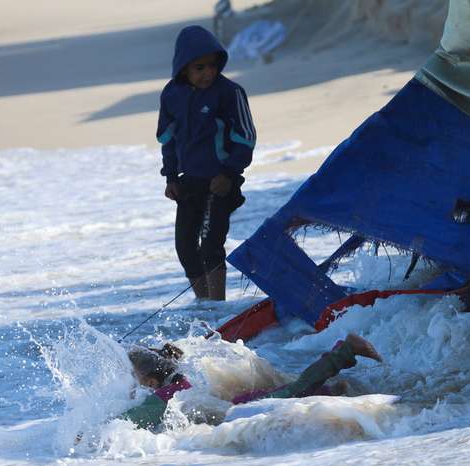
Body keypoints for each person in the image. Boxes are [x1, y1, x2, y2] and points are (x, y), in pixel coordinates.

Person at [157, 25, 254, 301]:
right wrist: (171, 178)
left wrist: (228, 173)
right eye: (199, 68)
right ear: (184, 67)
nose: (208, 73)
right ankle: (204, 305)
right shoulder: (171, 95)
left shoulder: (229, 92)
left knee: (211, 246)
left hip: (220, 182)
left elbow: (246, 138)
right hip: (189, 182)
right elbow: (168, 139)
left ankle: (218, 306)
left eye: (212, 66)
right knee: (185, 248)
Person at [120, 334, 383, 431]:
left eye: (135, 378)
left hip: (241, 409)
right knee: (294, 396)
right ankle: (332, 389)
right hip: (238, 403)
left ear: (152, 380)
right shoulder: (179, 384)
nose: (132, 384)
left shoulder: (166, 396)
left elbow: (129, 421)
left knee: (294, 391)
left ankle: (346, 350)